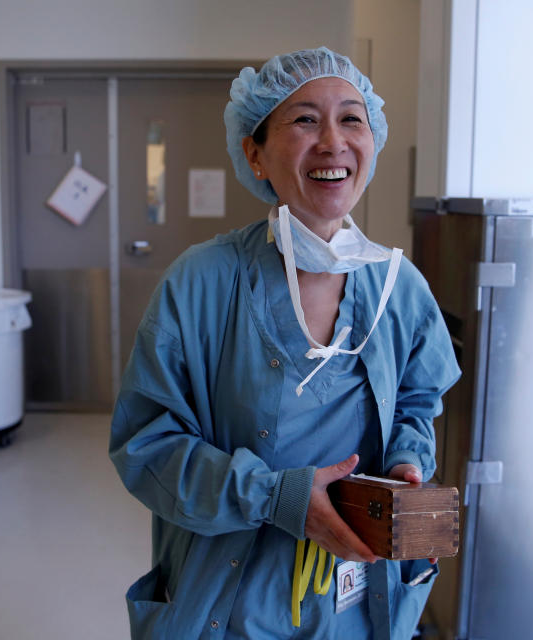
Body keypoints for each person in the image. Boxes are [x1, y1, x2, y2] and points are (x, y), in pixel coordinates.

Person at [109, 47, 460, 639]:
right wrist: (278, 497)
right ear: (256, 153)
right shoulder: (202, 283)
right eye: (304, 120)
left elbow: (416, 404)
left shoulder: (400, 289)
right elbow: (147, 444)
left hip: (355, 593)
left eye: (352, 118)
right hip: (235, 597)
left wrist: (405, 461)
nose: (332, 141)